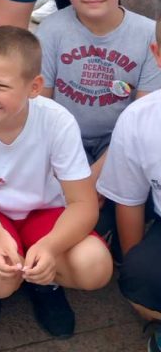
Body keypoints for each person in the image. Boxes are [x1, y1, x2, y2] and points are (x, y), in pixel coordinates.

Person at [0, 27, 113, 337]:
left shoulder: (57, 120)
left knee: (96, 267)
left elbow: (83, 203)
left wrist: (50, 246)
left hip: (44, 213)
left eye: (1, 86)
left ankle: (44, 281)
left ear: (34, 87)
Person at [35, 0, 161, 245]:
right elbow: (40, 108)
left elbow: (140, 118)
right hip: (67, 142)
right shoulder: (51, 30)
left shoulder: (148, 35)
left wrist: (93, 178)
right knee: (65, 215)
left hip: (119, 146)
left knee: (110, 215)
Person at [96, 34, 161, 352]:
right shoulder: (139, 118)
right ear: (157, 55)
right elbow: (129, 201)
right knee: (140, 278)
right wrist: (135, 268)